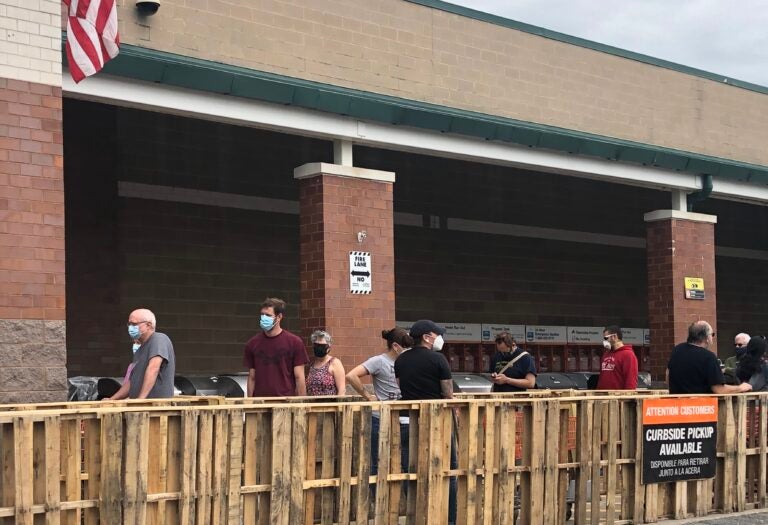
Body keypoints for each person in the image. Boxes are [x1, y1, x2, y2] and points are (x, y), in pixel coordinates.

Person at [395, 320, 456, 525]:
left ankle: (416, 516)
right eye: (436, 334)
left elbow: (400, 386)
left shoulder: (401, 360)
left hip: (408, 419)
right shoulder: (438, 359)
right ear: (427, 337)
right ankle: (448, 518)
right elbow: (448, 393)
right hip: (438, 421)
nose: (439, 338)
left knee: (411, 470)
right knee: (449, 470)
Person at [347, 328, 413, 476]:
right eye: (405, 347)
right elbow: (351, 375)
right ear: (396, 346)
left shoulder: (407, 362)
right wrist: (367, 395)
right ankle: (377, 497)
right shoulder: (379, 361)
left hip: (404, 417)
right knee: (379, 462)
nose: (408, 351)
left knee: (406, 463)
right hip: (381, 417)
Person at [243, 297, 308, 397]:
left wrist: (302, 404)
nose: (264, 318)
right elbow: (252, 377)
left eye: (268, 315)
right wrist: (250, 404)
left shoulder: (295, 342)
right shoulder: (252, 343)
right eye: (262, 314)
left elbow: (299, 377)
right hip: (260, 403)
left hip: (285, 403)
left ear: (279, 317)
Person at [667, 321, 752, 395]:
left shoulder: (677, 350)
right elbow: (719, 389)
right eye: (712, 334)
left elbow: (668, 374)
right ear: (707, 338)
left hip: (676, 407)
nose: (712, 337)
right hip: (701, 407)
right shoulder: (708, 357)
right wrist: (740, 387)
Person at [122, 308, 176, 399]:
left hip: (156, 408)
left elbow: (153, 369)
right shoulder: (140, 349)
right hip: (142, 407)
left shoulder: (159, 339)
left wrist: (140, 400)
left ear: (148, 325)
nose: (130, 327)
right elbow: (132, 382)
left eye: (134, 324)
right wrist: (112, 399)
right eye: (129, 324)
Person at [596, 326, 638, 390]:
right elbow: (602, 377)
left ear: (615, 336)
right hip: (603, 396)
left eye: (606, 338)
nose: (605, 341)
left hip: (618, 397)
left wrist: (627, 397)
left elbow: (631, 380)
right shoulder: (606, 354)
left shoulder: (628, 355)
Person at [306, 330, 346, 396]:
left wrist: (339, 405)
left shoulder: (335, 363)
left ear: (328, 347)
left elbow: (341, 390)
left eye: (322, 346)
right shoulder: (311, 365)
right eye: (316, 345)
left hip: (329, 405)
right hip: (311, 405)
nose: (319, 348)